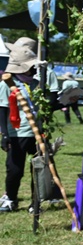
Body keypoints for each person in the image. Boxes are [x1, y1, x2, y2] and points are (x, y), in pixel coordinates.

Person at [0, 41, 41, 213]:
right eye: (31, 67)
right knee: (15, 169)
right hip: (16, 133)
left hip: (37, 133)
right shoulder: (7, 84)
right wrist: (4, 134)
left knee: (38, 168)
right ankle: (11, 198)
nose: (34, 70)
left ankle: (36, 201)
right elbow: (2, 110)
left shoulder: (36, 83)